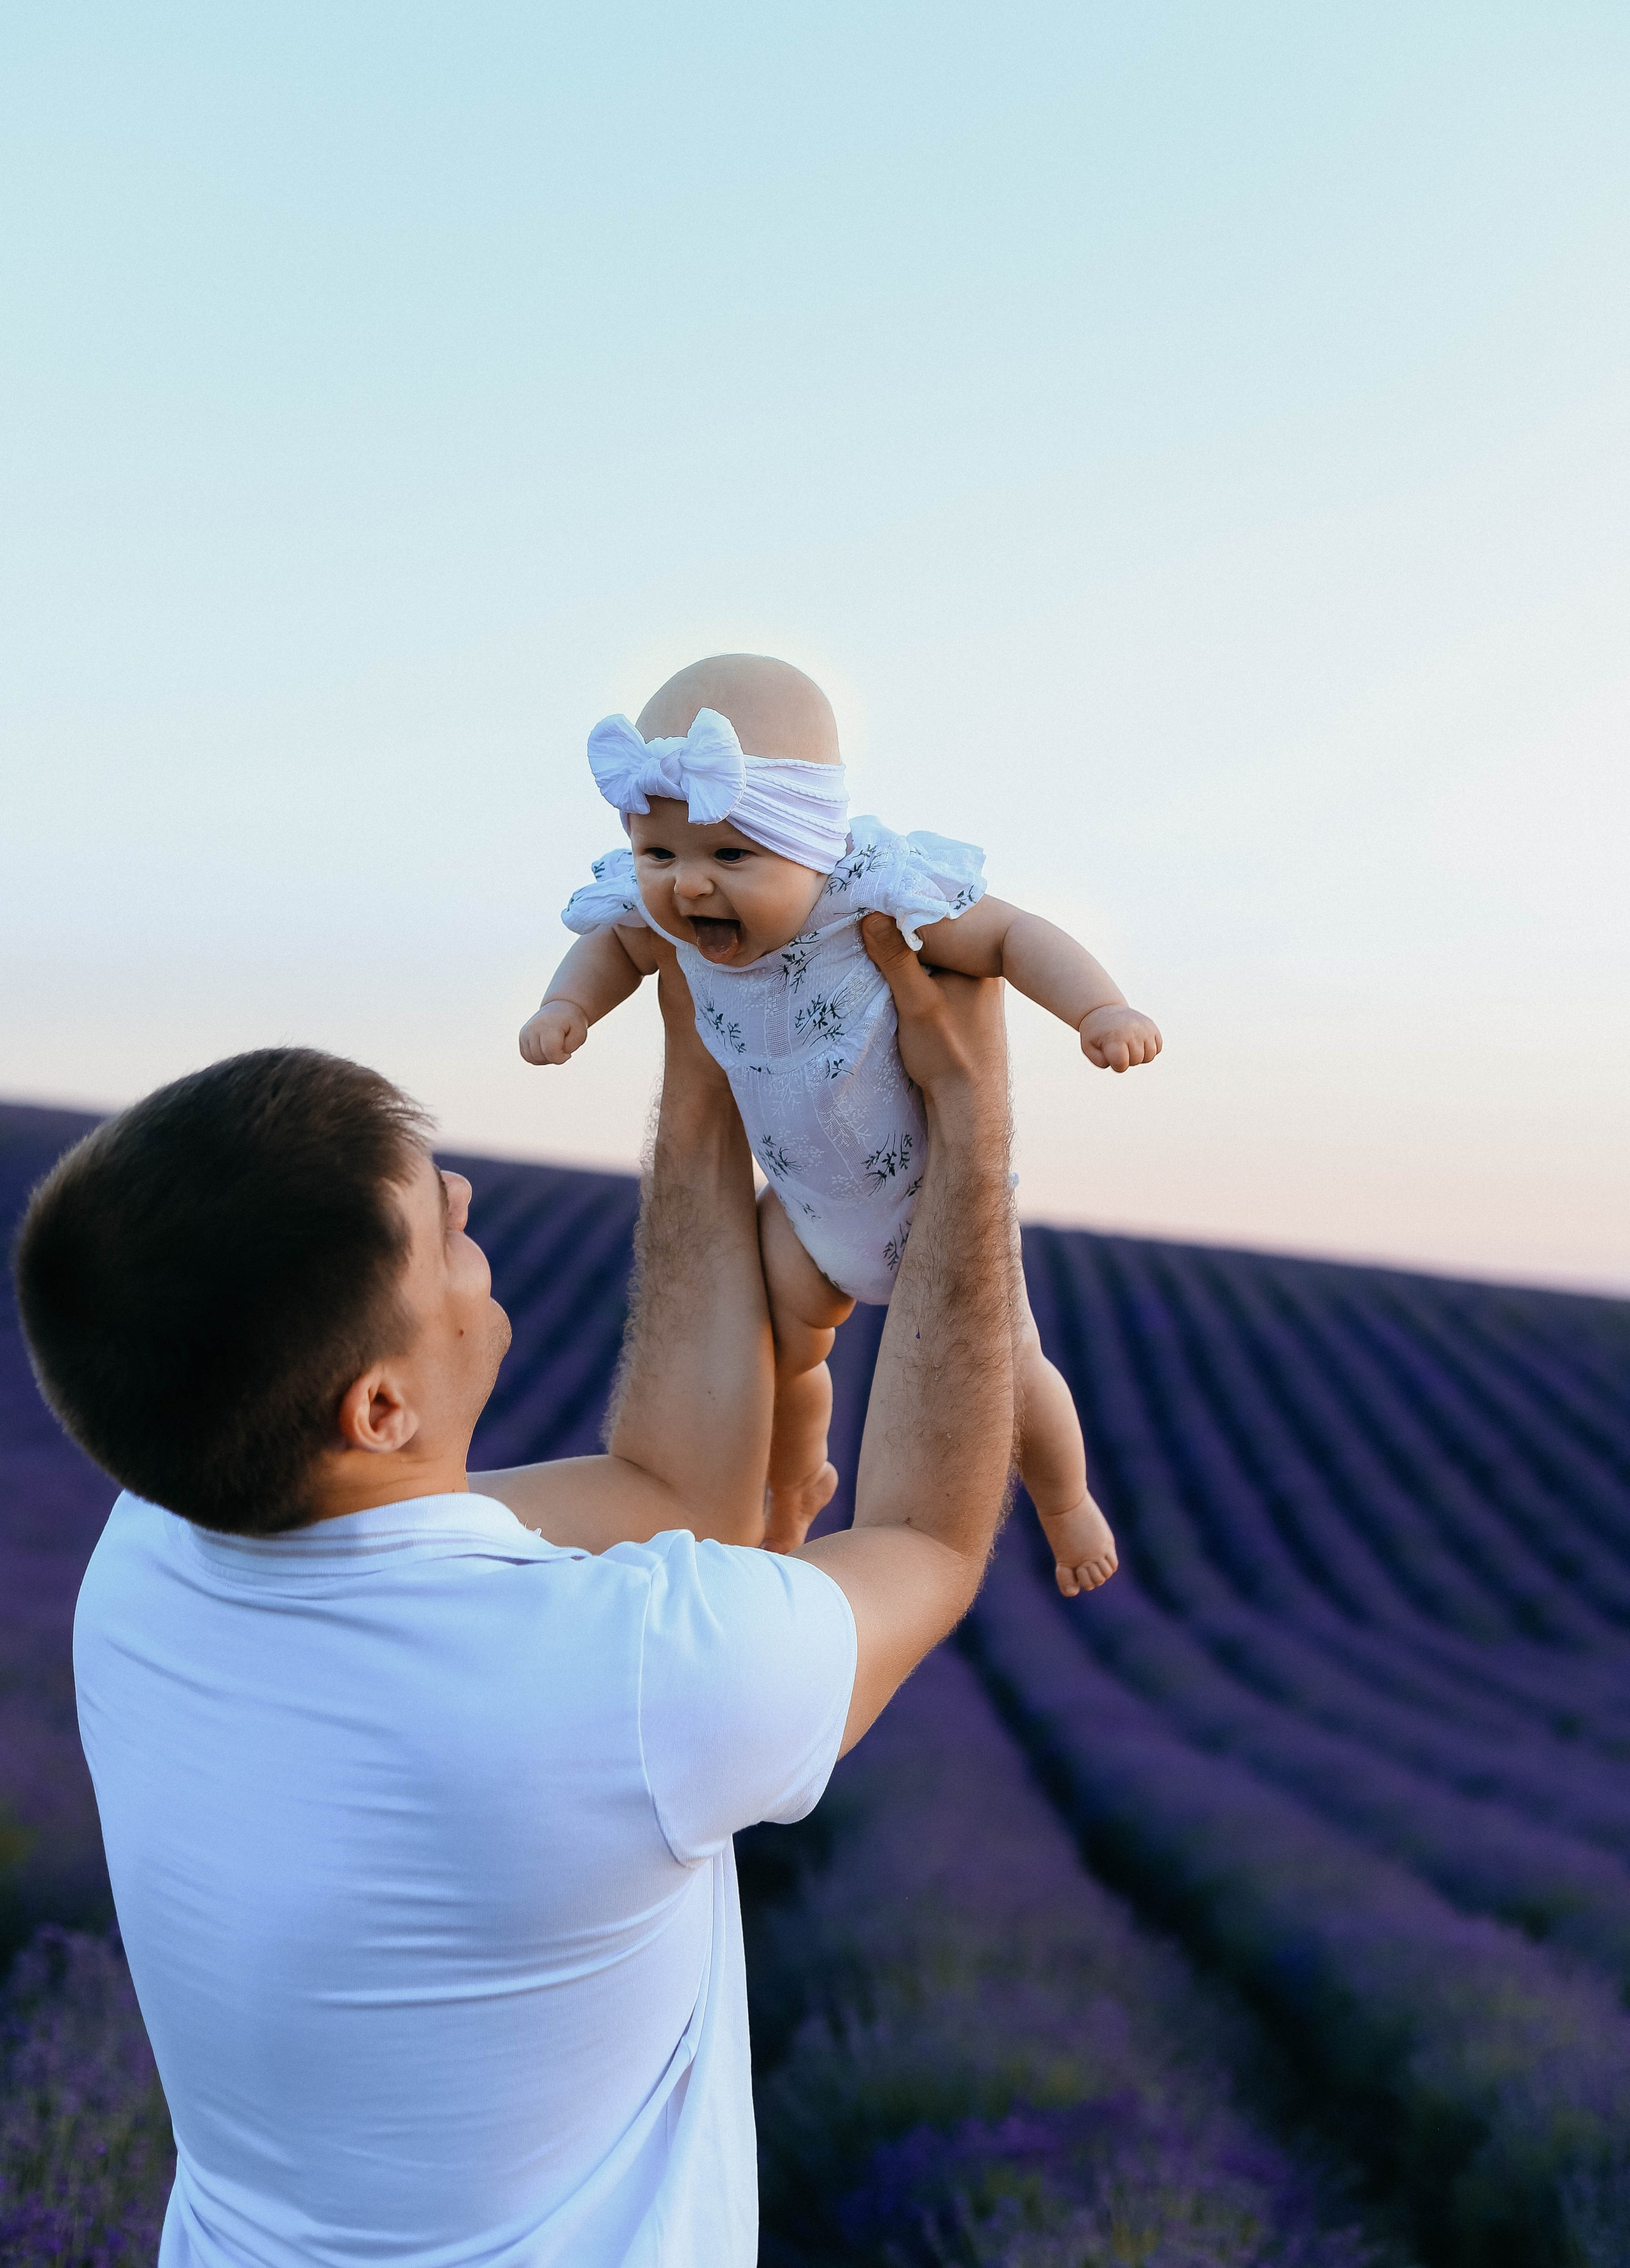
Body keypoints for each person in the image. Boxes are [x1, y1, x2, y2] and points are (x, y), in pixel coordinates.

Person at [16, 928, 1017, 2268]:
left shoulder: (153, 1556)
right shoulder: (631, 1680)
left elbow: (670, 1491)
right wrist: (967, 1130)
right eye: (439, 1233)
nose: (470, 1201)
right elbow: (928, 1543)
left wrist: (707, 1023)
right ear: (378, 1406)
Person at [521, 651, 1160, 1590]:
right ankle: (795, 1486)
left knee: (1010, 1376)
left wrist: (1099, 1011)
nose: (687, 888)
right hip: (808, 1204)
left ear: (812, 843)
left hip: (927, 1209)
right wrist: (567, 1008)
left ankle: (1068, 1505)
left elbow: (1017, 936)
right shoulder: (664, 921)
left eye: (729, 856)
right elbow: (612, 952)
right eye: (659, 856)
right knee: (782, 1353)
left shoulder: (874, 895)